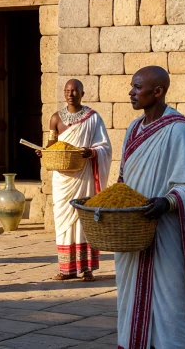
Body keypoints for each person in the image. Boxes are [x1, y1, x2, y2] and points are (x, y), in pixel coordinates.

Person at [114, 66, 185, 349]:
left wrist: (167, 202)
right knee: (130, 300)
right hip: (133, 233)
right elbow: (123, 179)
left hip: (167, 234)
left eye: (137, 87)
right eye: (132, 87)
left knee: (170, 303)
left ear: (157, 92)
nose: (131, 93)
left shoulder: (179, 130)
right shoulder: (133, 129)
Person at [37, 79, 111, 281]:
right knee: (64, 222)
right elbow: (52, 145)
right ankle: (66, 269)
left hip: (84, 174)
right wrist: (43, 152)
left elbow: (105, 146)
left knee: (83, 218)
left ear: (82, 93)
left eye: (74, 91)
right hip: (63, 178)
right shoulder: (55, 119)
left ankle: (86, 269)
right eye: (67, 91)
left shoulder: (93, 118)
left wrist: (92, 152)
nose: (70, 94)